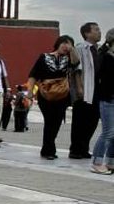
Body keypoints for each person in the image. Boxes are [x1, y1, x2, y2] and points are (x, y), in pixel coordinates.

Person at [26, 35, 78, 160]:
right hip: (45, 93)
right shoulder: (44, 57)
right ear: (58, 43)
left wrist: (72, 50)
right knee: (49, 121)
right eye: (64, 43)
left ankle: (48, 149)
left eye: (69, 44)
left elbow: (76, 62)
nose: (66, 46)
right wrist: (30, 91)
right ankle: (48, 150)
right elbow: (33, 75)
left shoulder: (68, 59)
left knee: (57, 122)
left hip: (62, 94)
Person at [70, 22, 102, 159]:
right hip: (84, 90)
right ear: (87, 33)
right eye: (96, 30)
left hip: (97, 90)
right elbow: (76, 69)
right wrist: (79, 87)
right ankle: (75, 149)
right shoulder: (80, 48)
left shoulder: (99, 50)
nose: (99, 32)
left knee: (93, 120)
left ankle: (84, 148)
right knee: (79, 122)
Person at [89, 29, 114, 174]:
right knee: (108, 133)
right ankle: (97, 162)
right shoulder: (105, 57)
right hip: (107, 98)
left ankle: (110, 161)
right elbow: (103, 80)